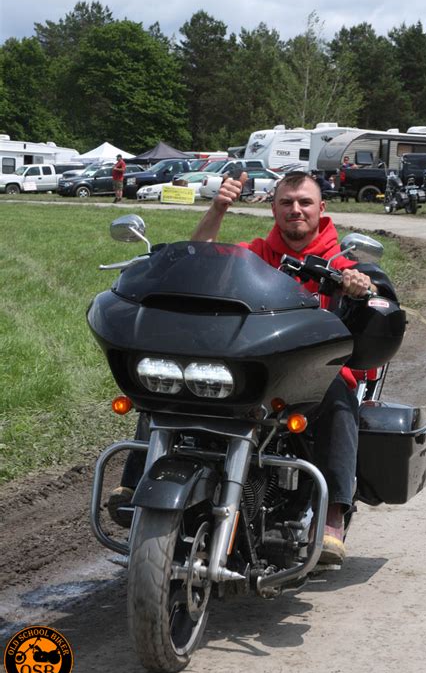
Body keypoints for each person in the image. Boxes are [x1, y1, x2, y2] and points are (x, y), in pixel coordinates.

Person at [109, 171, 396, 565]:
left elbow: (375, 292)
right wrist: (218, 207)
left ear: (321, 209)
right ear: (274, 208)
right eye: (286, 202)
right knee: (169, 383)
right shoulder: (256, 254)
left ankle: (332, 518)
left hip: (306, 376)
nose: (296, 209)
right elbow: (196, 257)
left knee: (338, 392)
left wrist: (361, 286)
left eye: (305, 202)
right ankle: (134, 480)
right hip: (249, 368)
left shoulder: (339, 262)